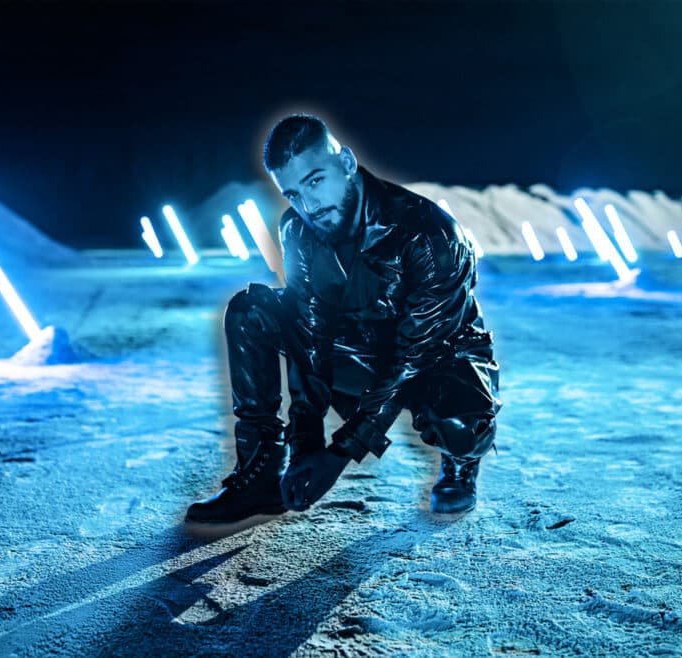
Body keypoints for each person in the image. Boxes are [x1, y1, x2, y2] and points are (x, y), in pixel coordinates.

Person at [185, 114, 501, 527]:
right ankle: (261, 476)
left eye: (316, 180)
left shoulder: (429, 235)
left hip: (437, 358)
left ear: (347, 163)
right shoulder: (298, 229)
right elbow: (310, 331)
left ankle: (461, 464)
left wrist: (339, 455)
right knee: (253, 310)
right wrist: (306, 444)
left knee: (460, 422)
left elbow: (415, 355)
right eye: (294, 193)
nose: (309, 204)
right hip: (360, 352)